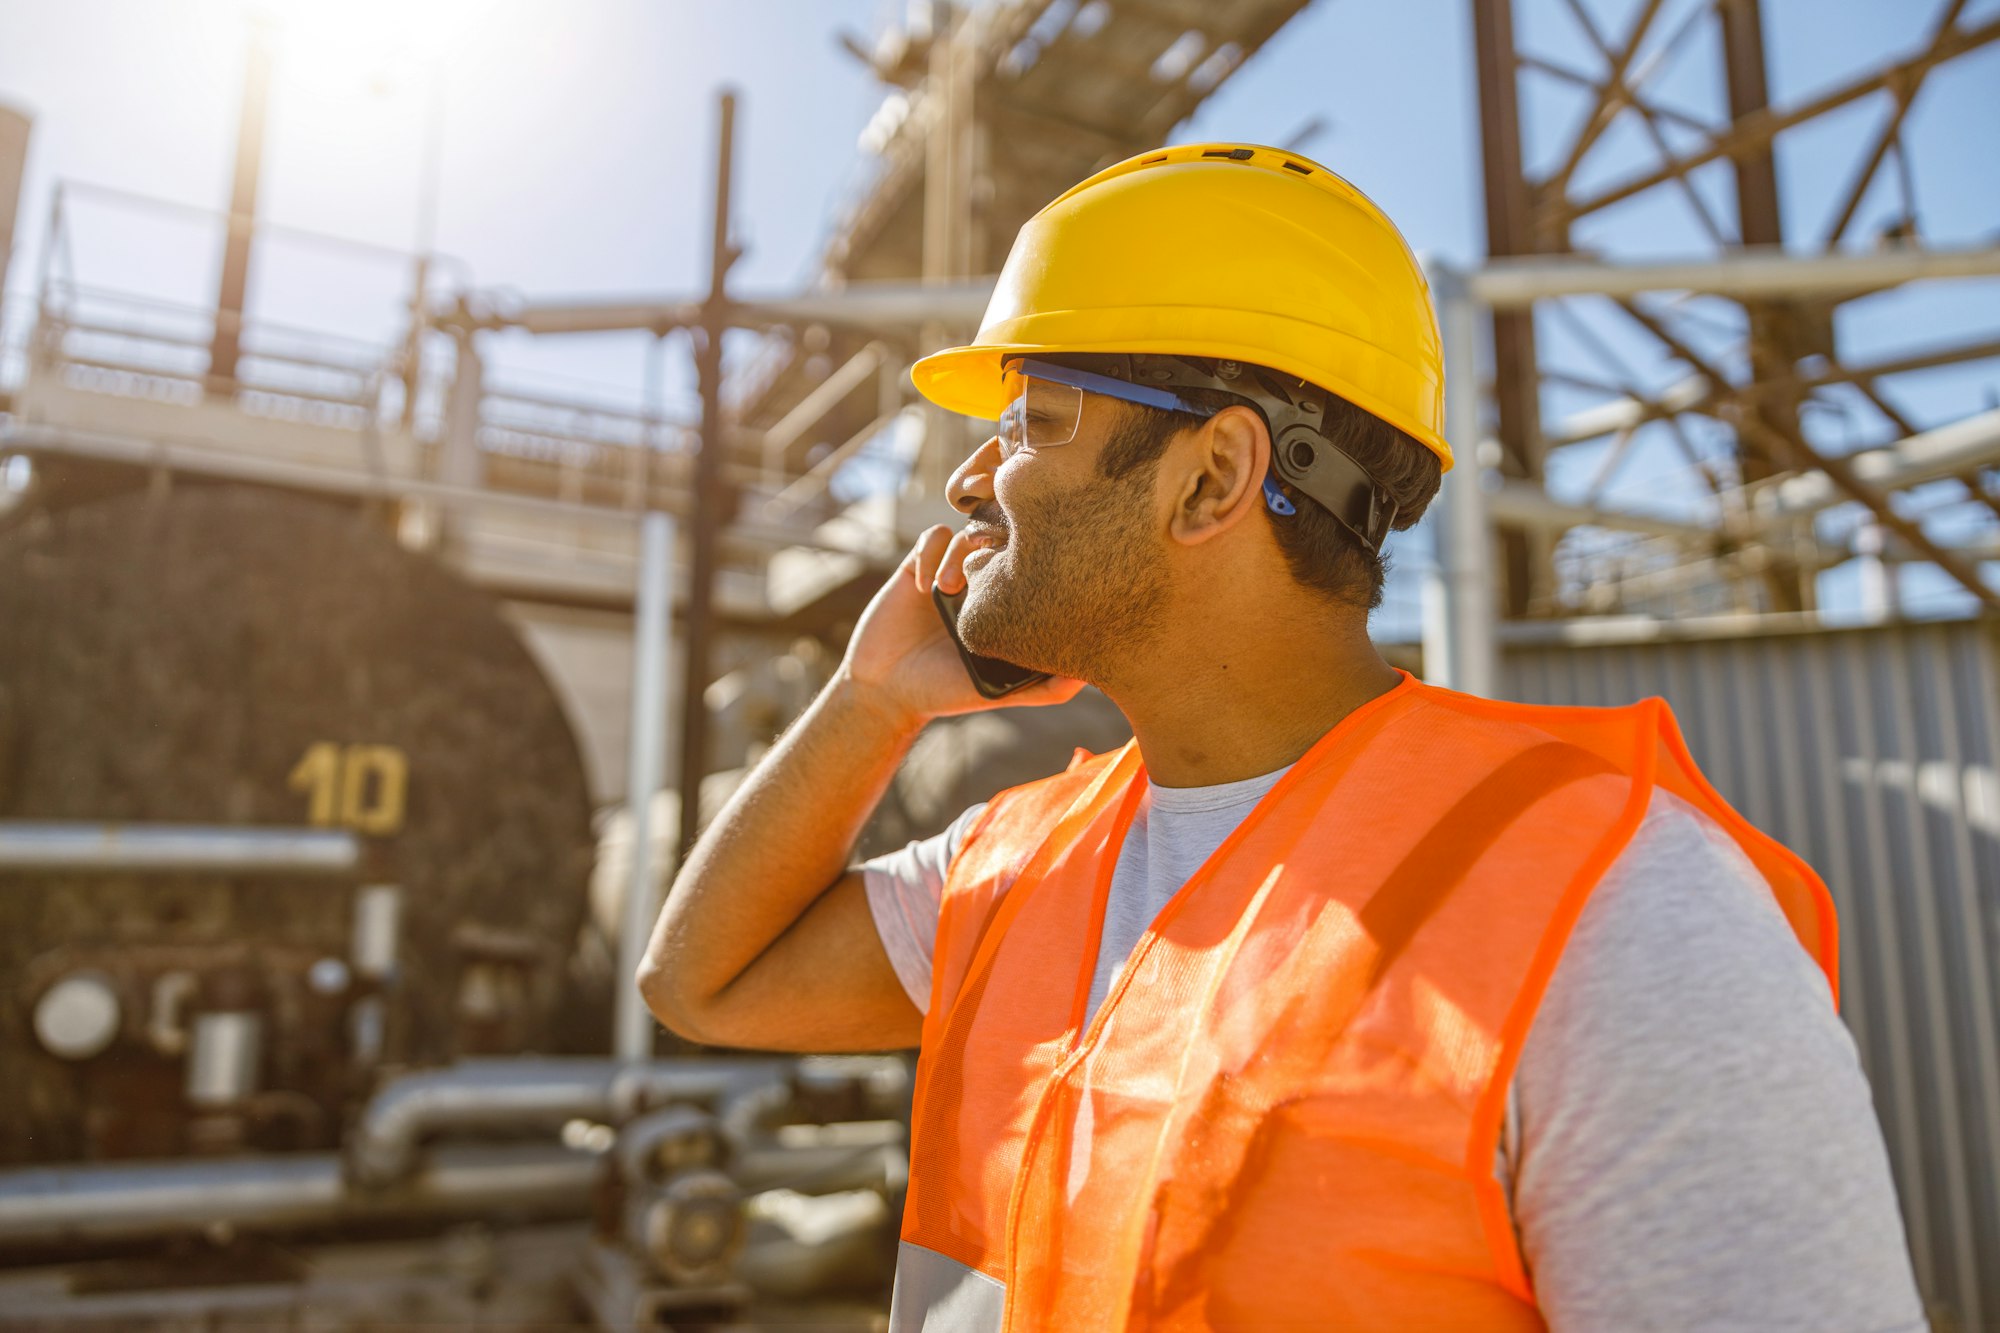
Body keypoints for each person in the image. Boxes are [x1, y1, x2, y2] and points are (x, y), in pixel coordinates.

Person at [638, 143, 1923, 1331]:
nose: (976, 478)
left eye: (1029, 419)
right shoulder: (1024, 857)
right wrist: (874, 704)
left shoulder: (1613, 906)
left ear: (1210, 477)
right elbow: (701, 981)